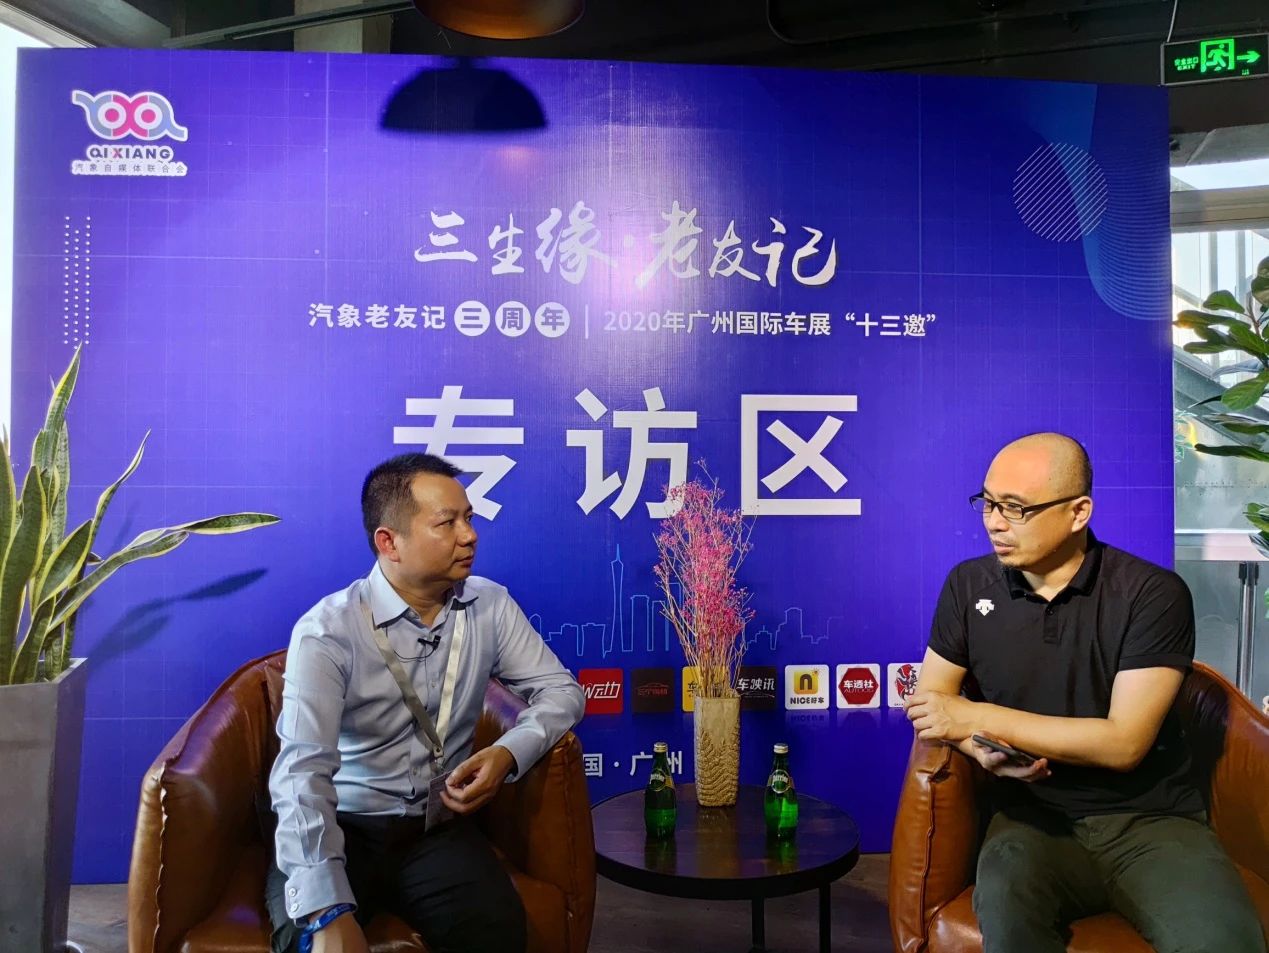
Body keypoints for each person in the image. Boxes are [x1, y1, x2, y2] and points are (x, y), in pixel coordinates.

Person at [905, 432, 1265, 953]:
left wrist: (976, 716)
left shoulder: (1151, 594)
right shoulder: (967, 586)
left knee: (1224, 941)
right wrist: (979, 750)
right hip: (1032, 818)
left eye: (1015, 508)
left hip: (1151, 821)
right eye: (988, 502)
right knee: (1006, 910)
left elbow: (1123, 744)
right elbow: (933, 704)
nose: (994, 522)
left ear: (1078, 512)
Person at [266, 452, 585, 953]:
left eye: (469, 519)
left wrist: (508, 752)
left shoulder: (490, 605)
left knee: (498, 930)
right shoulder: (327, 632)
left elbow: (561, 690)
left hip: (435, 830)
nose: (469, 535)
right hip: (343, 828)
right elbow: (301, 772)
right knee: (305, 939)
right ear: (388, 542)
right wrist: (326, 911)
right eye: (446, 523)